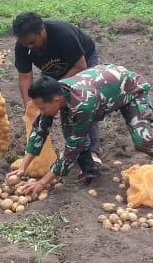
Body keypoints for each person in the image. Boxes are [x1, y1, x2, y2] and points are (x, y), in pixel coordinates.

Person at [14, 64, 153, 197]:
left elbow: (72, 147)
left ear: (56, 100)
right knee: (70, 129)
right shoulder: (55, 95)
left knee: (143, 141)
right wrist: (23, 168)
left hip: (132, 91)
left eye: (43, 108)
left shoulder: (82, 105)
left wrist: (43, 182)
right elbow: (40, 129)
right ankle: (89, 169)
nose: (42, 112)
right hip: (104, 91)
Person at [12, 11, 102, 181]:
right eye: (25, 44)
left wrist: (57, 92)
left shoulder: (62, 34)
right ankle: (74, 151)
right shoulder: (23, 45)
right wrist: (30, 106)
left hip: (82, 61)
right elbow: (25, 77)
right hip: (53, 68)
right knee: (48, 106)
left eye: (32, 42)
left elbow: (79, 66)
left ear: (42, 31)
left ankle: (93, 153)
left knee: (81, 103)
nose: (29, 47)